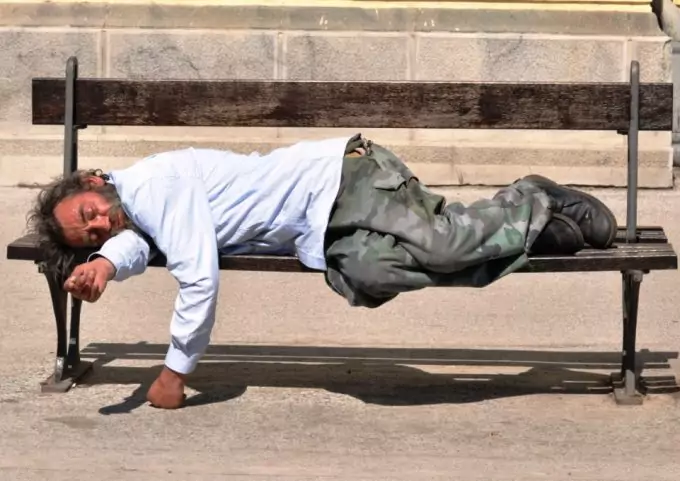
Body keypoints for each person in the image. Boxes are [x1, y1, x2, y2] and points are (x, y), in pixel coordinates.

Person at [26, 133, 618, 409]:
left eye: (90, 215)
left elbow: (197, 273)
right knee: (372, 276)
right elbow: (141, 242)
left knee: (440, 245)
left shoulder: (154, 185)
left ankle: (531, 197)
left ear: (95, 180)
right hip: (326, 231)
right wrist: (105, 263)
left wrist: (175, 372)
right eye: (91, 235)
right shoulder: (135, 216)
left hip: (342, 180)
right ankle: (545, 231)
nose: (100, 224)